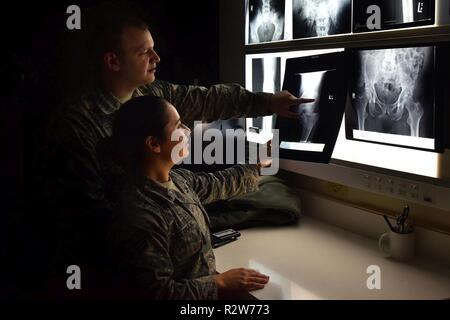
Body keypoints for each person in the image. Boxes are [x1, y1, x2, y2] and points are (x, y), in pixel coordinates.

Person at [39, 2, 313, 269]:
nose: (156, 59)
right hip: (130, 260)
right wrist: (173, 244)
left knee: (272, 194)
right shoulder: (76, 125)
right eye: (144, 52)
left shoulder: (152, 94)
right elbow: (90, 219)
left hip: (165, 232)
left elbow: (206, 100)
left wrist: (266, 102)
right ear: (113, 61)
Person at [108, 95, 270, 299]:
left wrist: (258, 164)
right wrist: (219, 282)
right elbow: (158, 292)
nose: (187, 130)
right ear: (154, 144)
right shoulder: (140, 215)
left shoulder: (178, 179)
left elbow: (218, 183)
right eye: (178, 126)